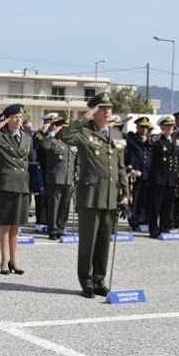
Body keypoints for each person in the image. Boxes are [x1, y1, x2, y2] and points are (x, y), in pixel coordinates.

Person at [60, 92, 129, 298]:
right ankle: (86, 281)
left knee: (103, 242)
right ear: (95, 111)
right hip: (90, 196)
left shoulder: (117, 136)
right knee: (88, 242)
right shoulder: (83, 133)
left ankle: (100, 279)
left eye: (110, 108)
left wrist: (125, 192)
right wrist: (83, 117)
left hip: (109, 196)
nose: (108, 112)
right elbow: (66, 136)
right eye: (103, 108)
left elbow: (121, 166)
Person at [0, 104, 32, 275]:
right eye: (15, 117)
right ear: (8, 119)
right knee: (5, 225)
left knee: (16, 225)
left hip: (22, 184)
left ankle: (14, 260)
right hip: (6, 184)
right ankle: (4, 260)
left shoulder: (26, 137)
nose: (19, 120)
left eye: (20, 117)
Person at [34, 116, 78, 240]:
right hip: (55, 179)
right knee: (54, 206)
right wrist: (52, 132)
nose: (66, 131)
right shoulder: (52, 141)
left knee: (65, 206)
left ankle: (61, 227)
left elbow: (77, 160)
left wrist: (77, 172)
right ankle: (53, 230)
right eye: (63, 128)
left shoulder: (71, 143)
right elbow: (43, 144)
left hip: (68, 179)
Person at [146, 115, 179, 239]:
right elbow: (148, 143)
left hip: (171, 178)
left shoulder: (176, 140)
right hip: (158, 177)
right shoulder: (157, 140)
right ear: (162, 127)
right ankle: (153, 229)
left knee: (167, 205)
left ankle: (164, 227)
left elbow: (177, 156)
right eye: (167, 126)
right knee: (155, 205)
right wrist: (156, 137)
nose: (170, 128)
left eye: (172, 126)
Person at [124, 116, 153, 230]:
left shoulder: (150, 140)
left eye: (146, 127)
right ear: (137, 127)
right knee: (134, 199)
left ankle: (143, 220)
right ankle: (133, 221)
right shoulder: (131, 138)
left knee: (145, 199)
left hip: (147, 174)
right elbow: (118, 134)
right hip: (135, 174)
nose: (144, 129)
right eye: (142, 127)